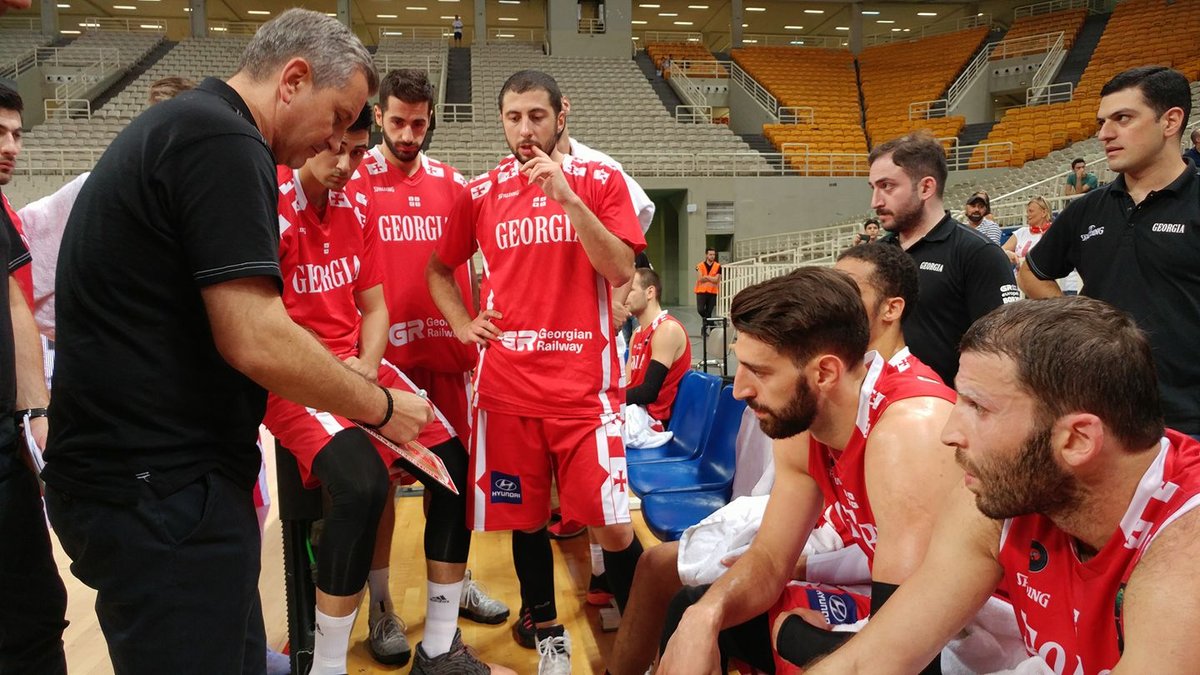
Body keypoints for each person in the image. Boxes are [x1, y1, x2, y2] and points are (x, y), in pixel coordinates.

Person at [42, 11, 432, 674]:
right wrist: (382, 407)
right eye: (337, 117)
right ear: (293, 80)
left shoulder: (194, 128)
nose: (336, 141)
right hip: (158, 490)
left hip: (158, 483)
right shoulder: (221, 139)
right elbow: (255, 336)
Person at [809, 297, 1200, 674]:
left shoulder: (1185, 548)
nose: (949, 433)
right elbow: (871, 662)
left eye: (978, 407)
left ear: (1077, 439)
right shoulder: (1001, 491)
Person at [608, 243, 932, 675]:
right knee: (692, 609)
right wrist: (706, 615)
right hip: (891, 610)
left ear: (825, 372)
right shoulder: (809, 417)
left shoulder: (906, 431)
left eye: (759, 371)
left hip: (959, 641)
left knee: (783, 634)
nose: (739, 390)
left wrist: (800, 638)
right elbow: (771, 560)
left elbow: (908, 652)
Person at [427, 69, 646, 675]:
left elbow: (620, 269)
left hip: (584, 392)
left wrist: (567, 198)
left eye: (536, 116)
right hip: (507, 390)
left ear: (561, 115)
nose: (525, 129)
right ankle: (548, 639)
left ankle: (642, 646)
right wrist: (464, 324)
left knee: (611, 526)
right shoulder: (480, 192)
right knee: (525, 522)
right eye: (513, 117)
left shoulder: (600, 180)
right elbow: (439, 270)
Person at [346, 67, 510, 666]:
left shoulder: (454, 183)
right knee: (378, 497)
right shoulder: (354, 179)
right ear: (379, 116)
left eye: (418, 123)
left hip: (447, 360)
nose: (408, 134)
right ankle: (383, 606)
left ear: (431, 119)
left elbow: (481, 263)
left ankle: (455, 584)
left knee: (455, 486)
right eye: (397, 122)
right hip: (382, 367)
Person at [1019, 65, 1200, 437]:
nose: (1104, 134)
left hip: (1187, 424)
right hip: (1099, 414)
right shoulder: (1088, 209)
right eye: (1103, 122)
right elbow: (1032, 272)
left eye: (1123, 118)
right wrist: (1075, 318)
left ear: (1170, 121)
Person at [0, 80, 65, 675]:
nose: (10, 147)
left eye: (17, 135)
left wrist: (34, 417)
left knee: (37, 607)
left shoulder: (6, 217)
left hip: (9, 437)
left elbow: (21, 310)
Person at [868, 130, 1018, 384]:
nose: (875, 202)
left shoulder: (979, 254)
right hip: (880, 401)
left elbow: (1004, 352)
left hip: (947, 404)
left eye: (887, 186)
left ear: (926, 187)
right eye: (873, 188)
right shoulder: (875, 255)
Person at [625, 267, 691, 431]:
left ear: (650, 292)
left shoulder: (667, 329)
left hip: (656, 422)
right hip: (636, 413)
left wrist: (610, 399)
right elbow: (627, 383)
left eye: (630, 290)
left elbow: (649, 392)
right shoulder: (636, 334)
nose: (624, 296)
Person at [694, 247, 720, 329]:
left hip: (712, 292)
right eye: (710, 254)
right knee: (700, 310)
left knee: (709, 312)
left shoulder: (718, 266)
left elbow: (716, 280)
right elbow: (700, 279)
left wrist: (706, 277)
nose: (712, 256)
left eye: (713, 255)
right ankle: (711, 324)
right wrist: (711, 278)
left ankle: (705, 329)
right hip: (701, 291)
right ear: (706, 255)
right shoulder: (699, 266)